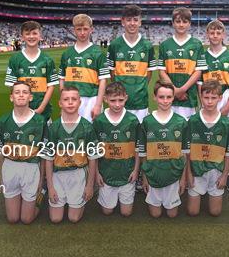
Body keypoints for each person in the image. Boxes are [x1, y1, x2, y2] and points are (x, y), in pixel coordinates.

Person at [42, 86, 101, 223]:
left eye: (74, 99)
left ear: (80, 102)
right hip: (58, 175)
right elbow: (48, 160)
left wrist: (90, 186)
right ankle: (46, 192)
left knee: (73, 218)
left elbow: (93, 159)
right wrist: (50, 187)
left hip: (78, 174)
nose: (70, 102)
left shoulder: (87, 127)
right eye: (66, 99)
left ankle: (78, 197)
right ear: (60, 103)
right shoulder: (53, 128)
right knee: (55, 219)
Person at [0, 81, 47, 224]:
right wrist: (1, 177)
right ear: (11, 97)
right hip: (10, 168)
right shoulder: (3, 121)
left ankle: (41, 194)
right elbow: (0, 152)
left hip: (31, 169)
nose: (21, 95)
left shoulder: (40, 121)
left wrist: (41, 181)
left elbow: (44, 155)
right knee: (12, 219)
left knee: (26, 219)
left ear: (30, 97)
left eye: (25, 92)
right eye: (17, 92)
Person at [198, 19, 229, 192]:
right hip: (207, 101)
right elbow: (199, 83)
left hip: (223, 101)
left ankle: (226, 173)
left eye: (218, 33)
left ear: (223, 35)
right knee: (206, 137)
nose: (215, 36)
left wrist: (228, 105)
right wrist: (203, 103)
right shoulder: (203, 56)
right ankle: (206, 170)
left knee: (224, 138)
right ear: (207, 35)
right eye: (212, 33)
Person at [186, 80, 229, 216]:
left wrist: (224, 176)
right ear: (201, 96)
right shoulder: (192, 121)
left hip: (216, 172)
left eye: (213, 98)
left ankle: (212, 189)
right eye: (206, 97)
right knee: (192, 212)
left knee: (215, 212)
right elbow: (186, 152)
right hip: (196, 171)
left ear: (220, 98)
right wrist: (188, 174)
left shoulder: (226, 124)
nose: (209, 101)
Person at [138, 80, 189, 218]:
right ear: (154, 97)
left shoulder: (181, 122)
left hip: (173, 174)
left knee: (172, 215)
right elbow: (143, 153)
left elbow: (185, 154)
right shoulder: (147, 122)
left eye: (169, 97)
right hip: (153, 174)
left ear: (173, 97)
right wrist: (145, 178)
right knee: (155, 214)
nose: (165, 101)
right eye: (161, 97)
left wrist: (183, 179)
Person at [93, 82, 140, 216]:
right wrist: (97, 173)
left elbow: (137, 148)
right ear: (105, 99)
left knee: (126, 213)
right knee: (107, 211)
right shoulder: (99, 121)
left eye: (121, 100)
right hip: (106, 174)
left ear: (126, 98)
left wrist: (136, 170)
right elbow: (94, 150)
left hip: (127, 174)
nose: (117, 104)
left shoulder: (132, 120)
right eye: (113, 100)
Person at [106, 5, 157, 123]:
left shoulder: (147, 46)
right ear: (123, 22)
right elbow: (112, 73)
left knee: (139, 136)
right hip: (119, 102)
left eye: (135, 20)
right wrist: (119, 91)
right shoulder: (114, 45)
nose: (132, 23)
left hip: (141, 102)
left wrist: (140, 87)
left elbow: (149, 73)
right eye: (128, 20)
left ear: (140, 22)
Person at [5, 21, 59, 123]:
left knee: (45, 138)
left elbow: (51, 86)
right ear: (22, 37)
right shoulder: (15, 59)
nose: (31, 37)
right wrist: (22, 106)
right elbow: (12, 86)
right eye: (27, 34)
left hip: (44, 112)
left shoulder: (47, 60)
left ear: (40, 36)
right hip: (22, 112)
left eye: (34, 33)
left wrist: (41, 108)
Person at [158, 7, 207, 119]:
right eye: (178, 21)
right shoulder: (165, 45)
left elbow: (198, 71)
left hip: (189, 98)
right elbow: (162, 71)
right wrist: (174, 90)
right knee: (169, 131)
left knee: (187, 132)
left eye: (185, 22)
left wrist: (183, 89)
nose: (181, 25)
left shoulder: (196, 44)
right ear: (173, 23)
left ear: (189, 24)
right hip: (169, 98)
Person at [59, 14, 110, 122]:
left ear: (91, 29)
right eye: (79, 29)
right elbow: (62, 79)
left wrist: (98, 105)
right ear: (74, 30)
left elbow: (103, 80)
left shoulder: (98, 53)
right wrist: (63, 101)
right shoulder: (67, 54)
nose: (82, 33)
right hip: (71, 100)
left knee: (90, 134)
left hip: (91, 100)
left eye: (85, 29)